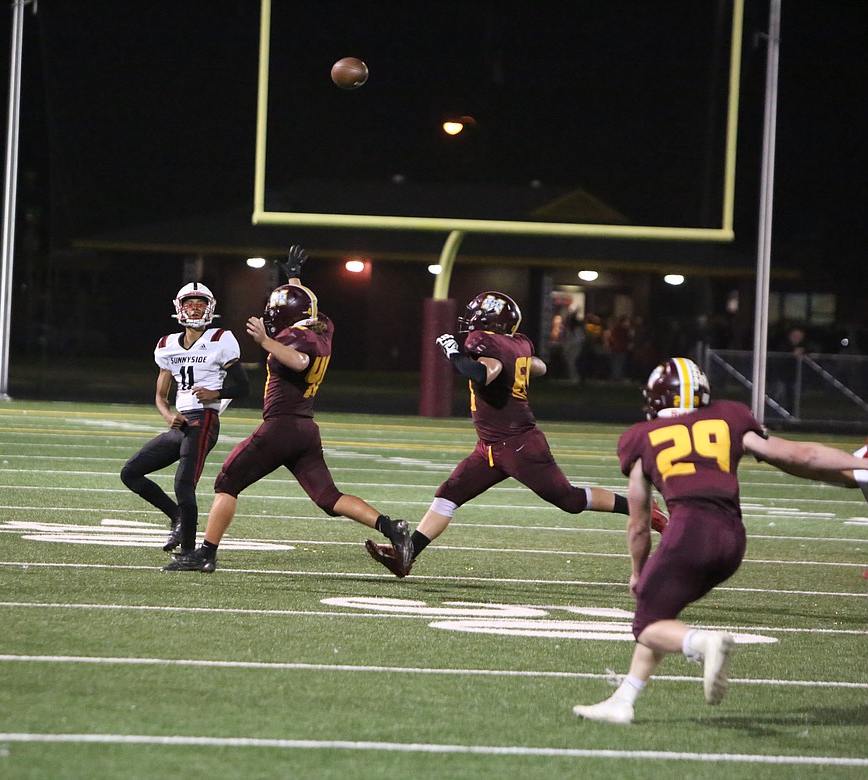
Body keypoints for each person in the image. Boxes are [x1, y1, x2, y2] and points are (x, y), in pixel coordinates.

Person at [572, 357, 868, 725]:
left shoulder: (640, 438)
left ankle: (701, 643)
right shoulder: (728, 417)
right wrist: (861, 467)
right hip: (732, 539)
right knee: (661, 613)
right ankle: (624, 699)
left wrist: (637, 571)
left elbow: (639, 522)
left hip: (688, 533)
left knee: (647, 625)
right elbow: (800, 455)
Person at [364, 291, 668, 578]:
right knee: (448, 494)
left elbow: (483, 373)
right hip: (491, 447)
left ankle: (641, 507)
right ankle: (407, 556)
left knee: (570, 500)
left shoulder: (487, 344)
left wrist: (454, 354)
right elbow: (540, 366)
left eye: (477, 315)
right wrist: (516, 365)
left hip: (518, 445)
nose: (471, 321)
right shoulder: (517, 343)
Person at [163, 245, 413, 573]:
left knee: (227, 483)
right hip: (305, 428)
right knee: (328, 497)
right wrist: (294, 278)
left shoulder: (296, 340)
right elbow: (308, 307)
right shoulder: (323, 328)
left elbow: (299, 359)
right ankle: (391, 527)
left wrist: (266, 342)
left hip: (279, 427)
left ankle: (205, 553)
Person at [120, 282, 249, 554]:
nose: (194, 309)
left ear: (210, 308)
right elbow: (160, 395)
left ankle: (189, 552)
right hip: (182, 424)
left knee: (183, 484)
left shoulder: (220, 338)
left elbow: (244, 387)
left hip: (204, 420)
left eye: (200, 304)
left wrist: (216, 392)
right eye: (189, 304)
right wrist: (168, 416)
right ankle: (177, 517)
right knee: (130, 473)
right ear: (179, 308)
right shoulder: (166, 345)